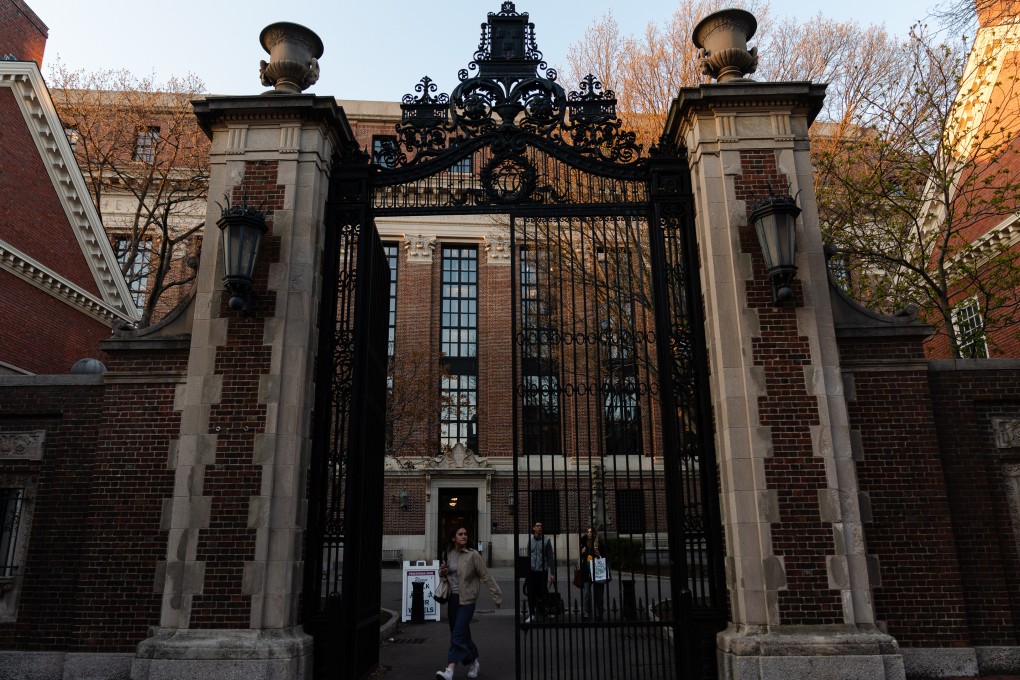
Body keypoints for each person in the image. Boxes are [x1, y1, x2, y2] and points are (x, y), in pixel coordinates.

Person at [435, 526, 501, 680]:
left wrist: (496, 595)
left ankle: (450, 671)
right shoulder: (447, 553)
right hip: (453, 599)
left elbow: (486, 576)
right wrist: (442, 573)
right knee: (462, 634)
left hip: (468, 601)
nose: (464, 536)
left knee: (457, 635)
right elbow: (445, 574)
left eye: (465, 534)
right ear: (453, 538)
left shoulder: (473, 555)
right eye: (460, 534)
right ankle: (474, 662)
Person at [525, 521, 554, 622]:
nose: (539, 527)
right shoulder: (530, 541)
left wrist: (552, 573)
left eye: (541, 526)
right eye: (537, 526)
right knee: (531, 593)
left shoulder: (546, 541)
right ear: (534, 528)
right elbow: (528, 556)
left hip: (542, 571)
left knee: (542, 592)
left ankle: (544, 611)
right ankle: (532, 614)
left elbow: (550, 557)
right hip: (532, 571)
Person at [579, 526, 605, 622]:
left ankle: (599, 614)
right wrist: (582, 552)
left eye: (591, 532)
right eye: (588, 532)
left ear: (594, 534)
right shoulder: (584, 543)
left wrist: (599, 554)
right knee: (586, 594)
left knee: (599, 595)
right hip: (587, 571)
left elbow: (604, 556)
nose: (589, 533)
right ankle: (587, 614)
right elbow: (582, 557)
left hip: (597, 571)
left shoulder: (599, 543)